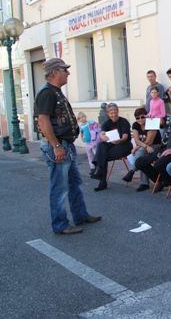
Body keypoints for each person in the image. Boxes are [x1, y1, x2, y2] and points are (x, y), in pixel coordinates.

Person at [35, 58, 101, 235]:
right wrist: (56, 146)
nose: (68, 73)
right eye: (65, 70)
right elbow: (43, 121)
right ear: (54, 72)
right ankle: (60, 225)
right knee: (59, 187)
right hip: (58, 146)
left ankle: (80, 215)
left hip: (66, 145)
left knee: (74, 183)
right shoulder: (47, 93)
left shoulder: (55, 92)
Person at [91, 103, 132, 192]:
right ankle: (101, 175)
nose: (113, 115)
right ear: (108, 113)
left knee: (102, 156)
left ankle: (100, 176)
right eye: (111, 113)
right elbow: (102, 134)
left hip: (124, 145)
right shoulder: (106, 123)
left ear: (118, 111)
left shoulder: (123, 121)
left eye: (115, 112)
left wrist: (119, 141)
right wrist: (103, 136)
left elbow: (125, 137)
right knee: (101, 145)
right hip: (112, 145)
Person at [122, 107, 162, 183]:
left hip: (156, 146)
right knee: (141, 154)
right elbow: (136, 140)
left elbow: (149, 141)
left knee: (141, 151)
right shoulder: (135, 124)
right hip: (144, 147)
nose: (140, 119)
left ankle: (132, 171)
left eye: (142, 117)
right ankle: (143, 183)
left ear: (146, 116)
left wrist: (137, 147)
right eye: (137, 118)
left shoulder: (152, 122)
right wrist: (142, 146)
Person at [77, 112, 100, 176]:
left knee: (96, 154)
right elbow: (82, 132)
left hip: (93, 141)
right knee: (89, 155)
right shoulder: (81, 126)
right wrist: (82, 138)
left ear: (85, 117)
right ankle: (92, 167)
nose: (82, 119)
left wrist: (96, 126)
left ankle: (98, 166)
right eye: (80, 118)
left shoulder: (90, 122)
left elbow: (97, 125)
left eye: (83, 117)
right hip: (87, 142)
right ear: (78, 120)